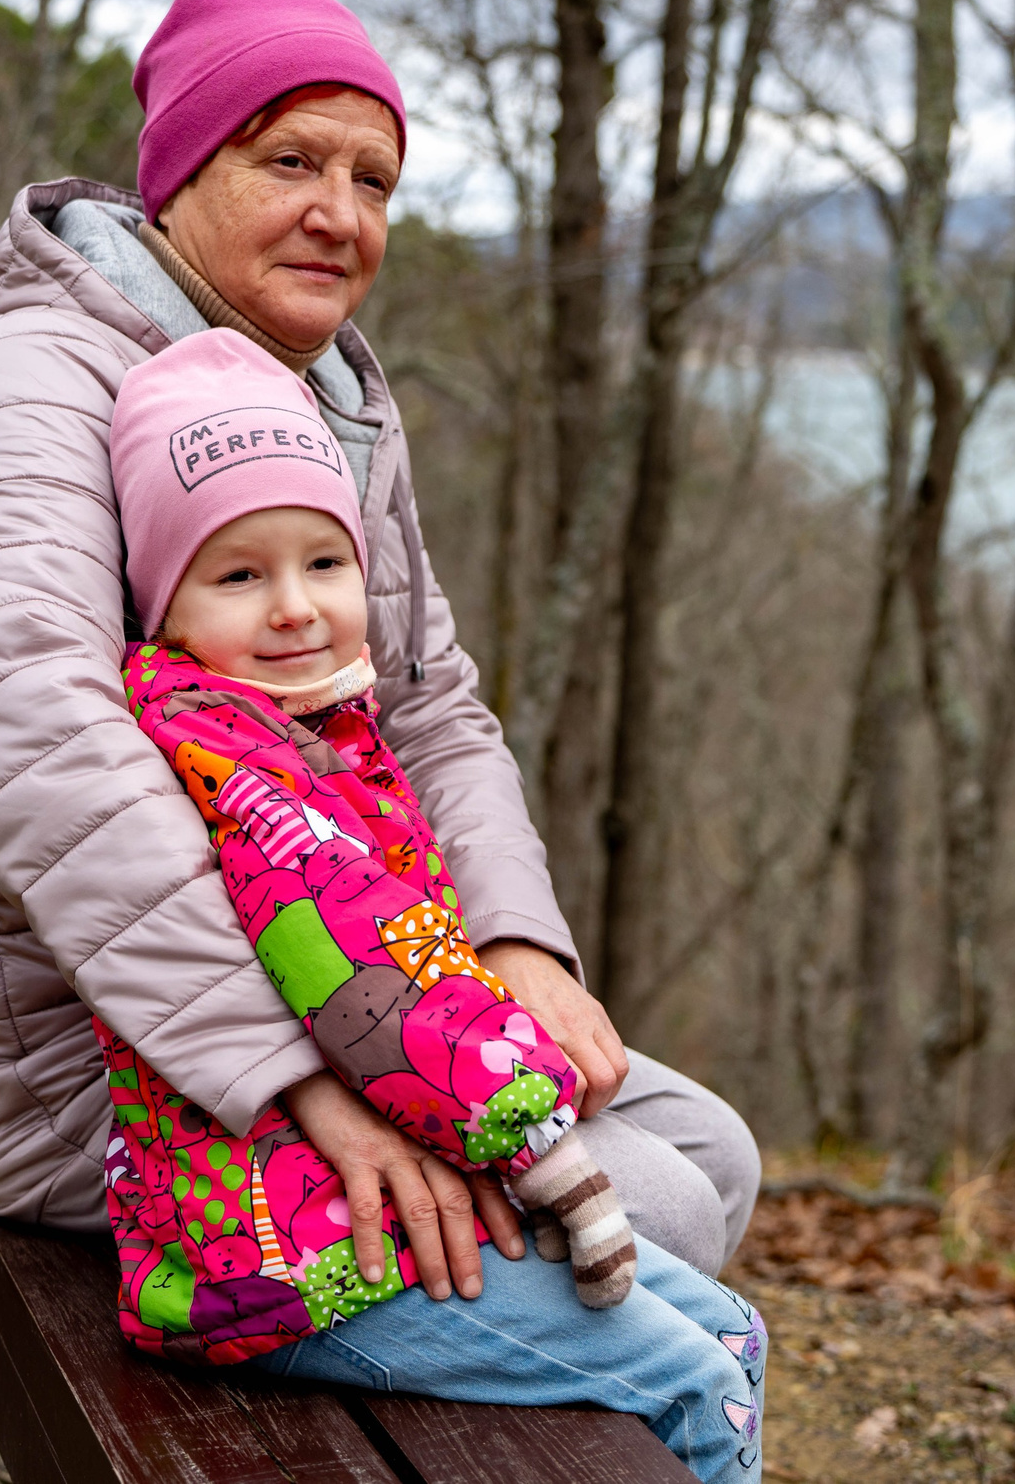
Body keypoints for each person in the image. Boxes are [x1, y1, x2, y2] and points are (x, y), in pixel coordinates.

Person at [0, 0, 757, 1326]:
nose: (340, 215)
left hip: (344, 972)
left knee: (709, 1148)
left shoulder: (316, 394)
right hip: (102, 1065)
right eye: (292, 161)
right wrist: (294, 1076)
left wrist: (518, 945)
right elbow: (50, 753)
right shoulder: (26, 387)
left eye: (375, 180)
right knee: (661, 1212)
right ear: (178, 177)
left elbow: (432, 707)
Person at [103, 327, 636, 1319]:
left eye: (323, 562)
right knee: (699, 1362)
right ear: (164, 610)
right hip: (289, 1257)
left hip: (322, 1190)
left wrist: (517, 946)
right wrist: (539, 1143)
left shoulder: (323, 722)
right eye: (238, 577)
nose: (296, 608)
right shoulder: (242, 759)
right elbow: (363, 965)